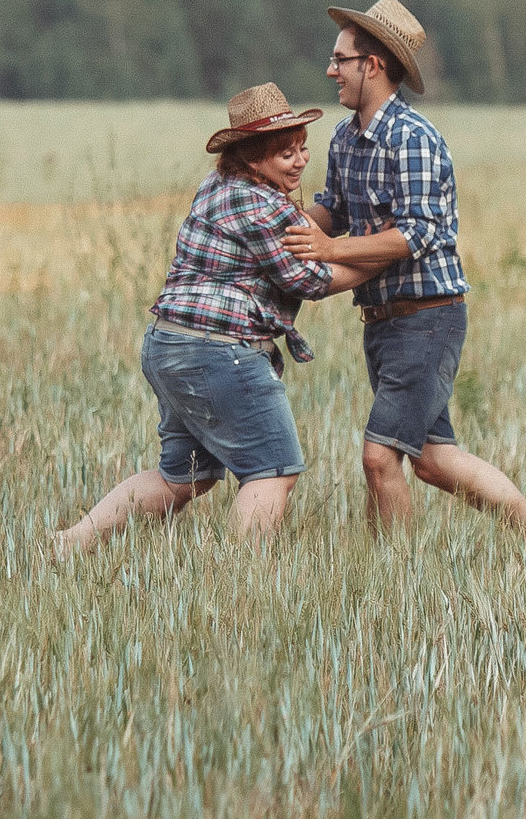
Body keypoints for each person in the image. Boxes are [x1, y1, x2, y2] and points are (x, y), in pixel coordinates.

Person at [54, 83, 380, 554]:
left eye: (303, 148)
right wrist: (383, 257)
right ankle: (237, 580)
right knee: (274, 470)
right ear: (251, 159)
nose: (300, 160)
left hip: (167, 344)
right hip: (217, 352)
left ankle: (68, 544)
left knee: (182, 477)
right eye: (285, 153)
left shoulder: (219, 186)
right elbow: (307, 281)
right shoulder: (262, 205)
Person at [282, 0, 526, 542]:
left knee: (379, 457)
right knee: (434, 459)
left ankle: (399, 582)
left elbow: (419, 233)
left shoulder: (412, 138)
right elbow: (331, 210)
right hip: (384, 323)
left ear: (374, 65)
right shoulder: (343, 139)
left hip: (427, 319)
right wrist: (280, 228)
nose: (331, 70)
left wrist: (329, 250)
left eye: (341, 59)